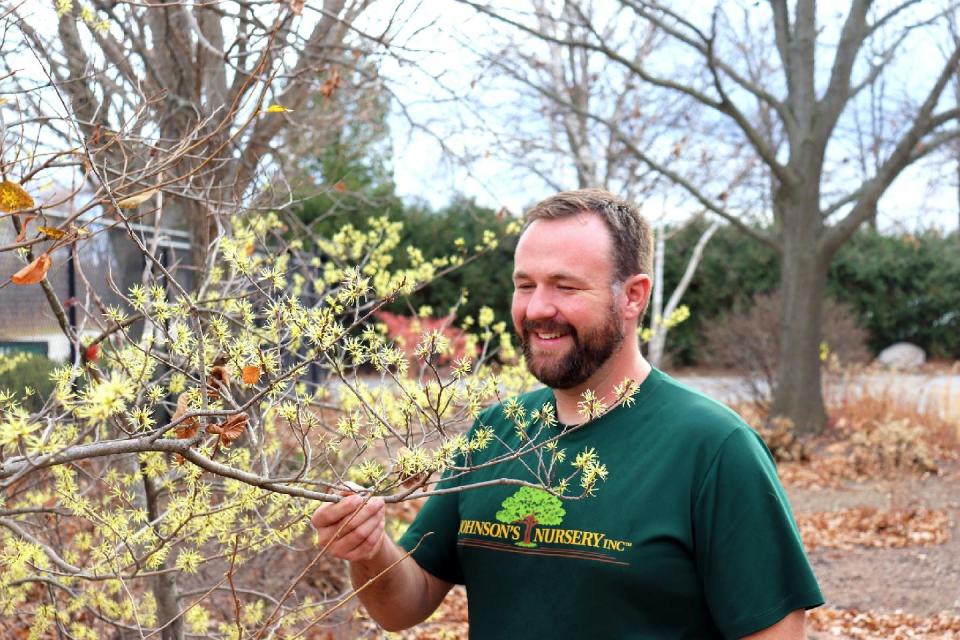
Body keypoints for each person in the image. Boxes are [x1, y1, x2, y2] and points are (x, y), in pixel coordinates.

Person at [312, 188, 823, 638]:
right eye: (526, 284)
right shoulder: (499, 432)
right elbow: (407, 602)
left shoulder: (713, 448)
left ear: (633, 297)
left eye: (565, 285)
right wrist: (369, 548)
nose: (537, 309)